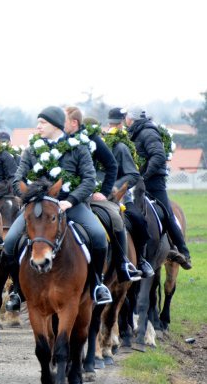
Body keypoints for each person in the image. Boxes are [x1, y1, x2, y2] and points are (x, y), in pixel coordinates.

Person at [3, 106, 112, 310]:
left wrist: (70, 200)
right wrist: (29, 196)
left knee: (98, 236)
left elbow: (89, 180)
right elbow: (17, 179)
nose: (38, 126)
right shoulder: (32, 149)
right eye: (38, 122)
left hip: (69, 204)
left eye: (42, 123)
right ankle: (17, 290)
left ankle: (98, 284)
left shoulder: (78, 148)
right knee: (9, 242)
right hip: (38, 209)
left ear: (54, 124)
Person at [65, 106, 141, 282]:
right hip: (64, 196)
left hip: (95, 193)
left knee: (116, 217)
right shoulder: (58, 141)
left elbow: (113, 166)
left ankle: (124, 264)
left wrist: (106, 191)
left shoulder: (99, 142)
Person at [126, 107, 191, 269]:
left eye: (126, 116)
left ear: (131, 119)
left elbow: (158, 155)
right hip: (138, 182)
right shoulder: (133, 133)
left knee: (167, 214)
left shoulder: (147, 132)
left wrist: (144, 176)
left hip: (153, 182)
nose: (124, 120)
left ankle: (182, 251)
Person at [104, 107, 154, 278]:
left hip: (121, 197)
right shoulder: (100, 143)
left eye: (113, 124)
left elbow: (132, 175)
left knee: (139, 223)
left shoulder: (122, 146)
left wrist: (114, 188)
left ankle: (139, 260)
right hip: (96, 196)